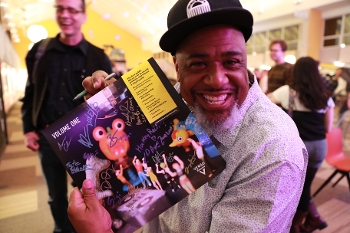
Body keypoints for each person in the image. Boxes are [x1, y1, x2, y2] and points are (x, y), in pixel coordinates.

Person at [67, 0, 307, 232]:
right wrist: (106, 106)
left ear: (245, 62)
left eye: (231, 61)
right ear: (178, 68)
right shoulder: (176, 101)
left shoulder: (273, 148)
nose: (217, 80)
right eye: (198, 64)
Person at [20, 0, 112, 232]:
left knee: (87, 193)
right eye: (60, 8)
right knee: (55, 194)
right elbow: (30, 92)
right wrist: (28, 128)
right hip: (46, 137)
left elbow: (109, 100)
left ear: (83, 16)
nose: (65, 14)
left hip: (83, 140)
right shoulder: (39, 52)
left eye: (72, 9)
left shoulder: (98, 56)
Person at [268, 56, 334, 233]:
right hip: (319, 147)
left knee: (299, 187)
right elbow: (328, 127)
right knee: (305, 185)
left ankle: (296, 224)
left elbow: (264, 107)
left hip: (298, 148)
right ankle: (312, 219)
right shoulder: (325, 96)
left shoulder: (287, 92)